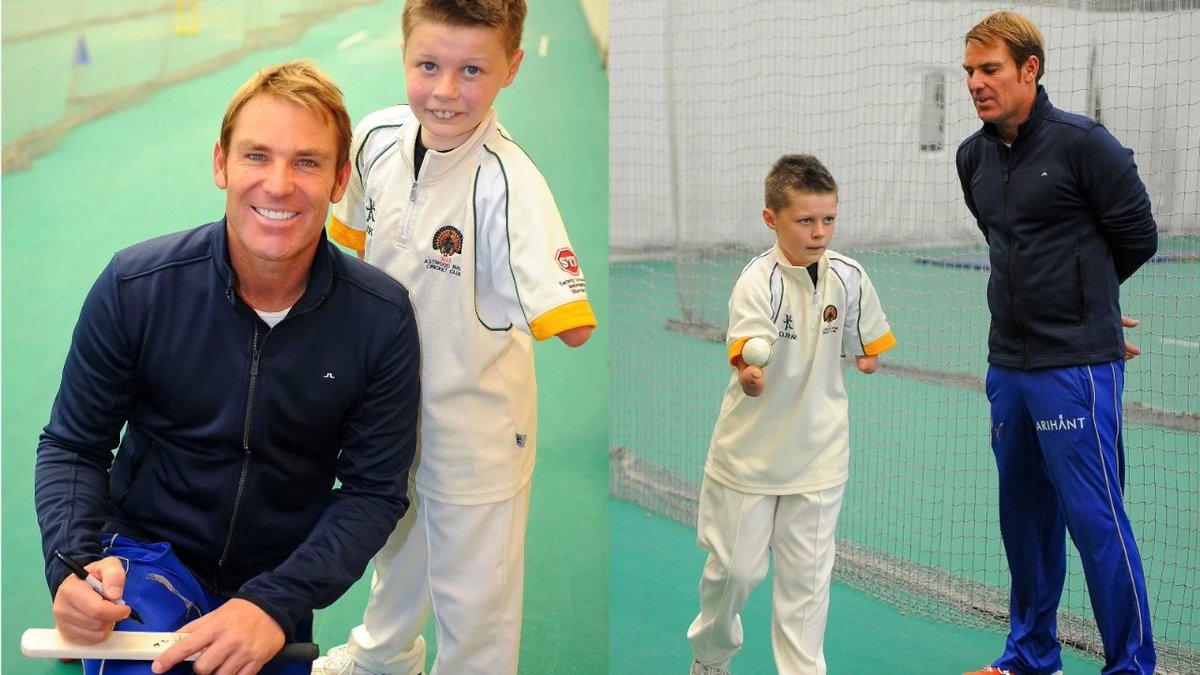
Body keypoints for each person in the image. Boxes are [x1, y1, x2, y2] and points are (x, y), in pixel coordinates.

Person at [34, 60, 421, 675]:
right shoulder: (136, 287)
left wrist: (274, 603)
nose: (278, 184)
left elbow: (372, 492)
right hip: (145, 556)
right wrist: (73, 566)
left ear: (340, 179)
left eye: (307, 162)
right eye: (256, 156)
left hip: (273, 583)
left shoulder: (381, 318)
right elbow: (74, 445)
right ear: (221, 164)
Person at [314, 1, 596, 674]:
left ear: (511, 68)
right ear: (403, 54)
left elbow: (574, 327)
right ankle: (384, 657)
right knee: (398, 541)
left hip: (476, 424)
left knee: (475, 593)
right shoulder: (376, 138)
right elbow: (354, 244)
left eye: (472, 70)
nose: (444, 90)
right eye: (428, 65)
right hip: (387, 407)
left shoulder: (510, 183)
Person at [956, 11, 1159, 675]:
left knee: (1096, 522)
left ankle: (1132, 666)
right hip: (1007, 368)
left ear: (1030, 69)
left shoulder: (1085, 145)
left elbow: (1138, 237)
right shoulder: (972, 157)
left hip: (1074, 368)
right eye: (970, 71)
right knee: (1024, 520)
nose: (976, 83)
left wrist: (1090, 309)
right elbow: (1007, 245)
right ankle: (1029, 656)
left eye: (990, 69)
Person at [687, 154, 896, 675]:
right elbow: (749, 357)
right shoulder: (757, 281)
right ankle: (710, 660)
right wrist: (750, 375)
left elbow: (865, 343)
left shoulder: (850, 276)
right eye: (805, 220)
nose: (819, 231)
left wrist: (866, 357)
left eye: (828, 219)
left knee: (807, 587)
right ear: (771, 219)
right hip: (750, 459)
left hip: (819, 456)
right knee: (734, 574)